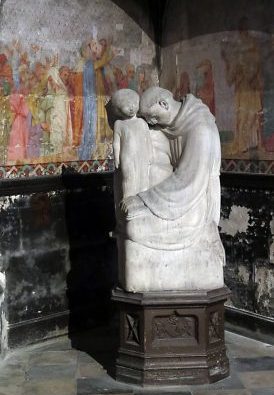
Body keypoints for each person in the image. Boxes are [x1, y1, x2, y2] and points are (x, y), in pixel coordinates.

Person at [118, 87, 225, 291]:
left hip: (190, 208)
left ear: (164, 104)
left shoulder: (200, 129)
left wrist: (142, 200)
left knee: (134, 227)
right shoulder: (174, 125)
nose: (153, 123)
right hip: (170, 201)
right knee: (127, 221)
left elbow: (187, 182)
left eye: (154, 117)